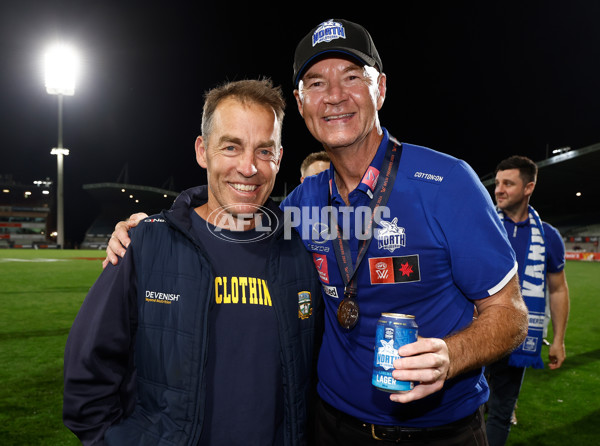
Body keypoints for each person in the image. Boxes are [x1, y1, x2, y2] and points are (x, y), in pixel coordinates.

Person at [105, 19, 528, 445]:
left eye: (351, 78)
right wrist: (158, 225)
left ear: (380, 88)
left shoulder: (446, 182)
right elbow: (229, 218)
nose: (334, 96)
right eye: (316, 83)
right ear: (301, 103)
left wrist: (451, 356)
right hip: (329, 426)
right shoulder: (301, 202)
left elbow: (510, 315)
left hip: (440, 431)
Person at [63, 79, 323, 446]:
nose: (248, 167)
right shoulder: (144, 245)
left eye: (264, 151)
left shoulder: (301, 253)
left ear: (279, 157)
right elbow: (86, 374)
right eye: (231, 147)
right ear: (203, 151)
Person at [485, 155, 570, 446]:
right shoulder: (482, 225)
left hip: (518, 337)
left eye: (508, 183)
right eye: (497, 183)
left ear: (528, 187)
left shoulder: (548, 236)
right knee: (467, 407)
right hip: (476, 332)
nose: (499, 189)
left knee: (500, 412)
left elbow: (558, 290)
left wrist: (558, 339)